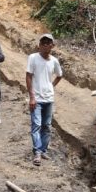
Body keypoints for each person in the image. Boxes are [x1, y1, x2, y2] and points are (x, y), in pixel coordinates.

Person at [26, 33, 63, 166]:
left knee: (46, 126)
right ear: (39, 45)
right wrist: (31, 97)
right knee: (36, 125)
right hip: (36, 98)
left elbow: (59, 75)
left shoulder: (54, 61)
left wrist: (51, 86)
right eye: (43, 43)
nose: (46, 45)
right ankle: (37, 152)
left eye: (48, 43)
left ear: (52, 46)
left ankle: (43, 150)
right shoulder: (33, 58)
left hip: (49, 98)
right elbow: (28, 76)